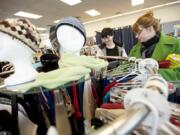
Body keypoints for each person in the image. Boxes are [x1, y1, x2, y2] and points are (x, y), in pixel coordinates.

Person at [129, 11, 180, 81]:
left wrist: (153, 74)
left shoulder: (176, 44)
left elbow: (178, 74)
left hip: (166, 90)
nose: (136, 36)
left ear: (149, 29)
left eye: (138, 33)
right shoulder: (135, 49)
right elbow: (127, 68)